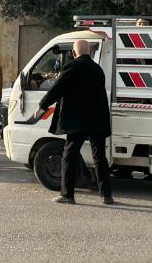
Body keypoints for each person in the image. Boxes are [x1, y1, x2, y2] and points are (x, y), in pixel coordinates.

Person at [32, 40, 113, 205]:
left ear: (74, 53)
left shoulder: (72, 66)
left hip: (78, 120)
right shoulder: (97, 69)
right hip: (97, 119)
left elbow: (57, 88)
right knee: (100, 157)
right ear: (89, 52)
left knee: (69, 156)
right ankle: (106, 195)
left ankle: (67, 195)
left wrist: (42, 106)